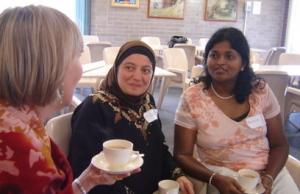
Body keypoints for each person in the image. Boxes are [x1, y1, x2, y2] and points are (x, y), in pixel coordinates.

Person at [0, 5, 134, 194]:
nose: (81, 68)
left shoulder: (20, 121)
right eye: (77, 56)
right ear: (49, 63)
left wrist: (85, 181)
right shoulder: (14, 141)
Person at [174, 27, 299, 194]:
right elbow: (182, 154)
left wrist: (269, 178)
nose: (220, 62)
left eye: (229, 56)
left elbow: (280, 144)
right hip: (220, 175)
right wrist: (215, 179)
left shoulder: (259, 91)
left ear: (243, 63)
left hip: (268, 173)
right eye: (214, 55)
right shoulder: (193, 97)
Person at [68, 40, 194, 194]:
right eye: (129, 67)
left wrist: (177, 174)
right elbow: (83, 168)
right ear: (116, 69)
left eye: (146, 70)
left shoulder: (147, 101)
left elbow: (159, 146)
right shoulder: (95, 107)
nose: (137, 77)